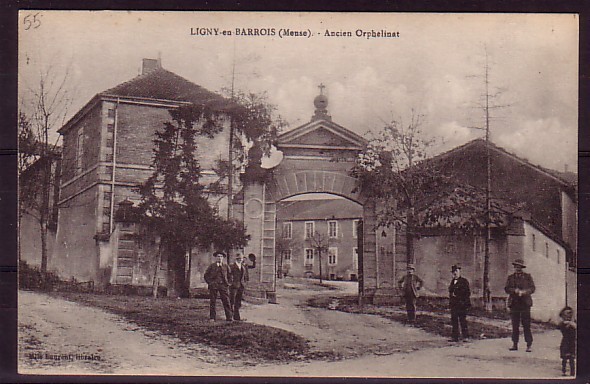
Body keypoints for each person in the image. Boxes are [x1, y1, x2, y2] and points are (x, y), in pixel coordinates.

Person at [504, 258, 535, 352]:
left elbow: (532, 288)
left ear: (522, 268)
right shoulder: (511, 277)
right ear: (514, 267)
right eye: (516, 266)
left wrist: (525, 292)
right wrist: (514, 291)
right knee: (515, 325)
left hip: (525, 303)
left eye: (519, 267)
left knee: (526, 325)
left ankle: (529, 345)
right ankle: (515, 344)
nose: (518, 268)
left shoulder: (527, 277)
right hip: (514, 303)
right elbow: (506, 288)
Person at [203, 251, 233, 322]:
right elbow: (206, 275)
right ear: (216, 258)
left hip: (223, 286)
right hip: (214, 286)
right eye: (218, 256)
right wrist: (210, 283)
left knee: (226, 301)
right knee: (213, 301)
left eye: (221, 256)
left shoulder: (226, 266)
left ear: (223, 258)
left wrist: (228, 283)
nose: (219, 258)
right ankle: (212, 317)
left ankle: (229, 317)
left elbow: (230, 275)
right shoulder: (212, 266)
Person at [448, 264, 471, 342]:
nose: (455, 273)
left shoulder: (464, 281)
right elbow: (450, 291)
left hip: (462, 304)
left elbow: (467, 293)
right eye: (453, 272)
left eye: (456, 271)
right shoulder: (452, 281)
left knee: (462, 320)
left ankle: (466, 336)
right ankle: (455, 337)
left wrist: (458, 296)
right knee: (454, 320)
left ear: (459, 272)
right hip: (454, 304)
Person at [229, 253, 250, 321]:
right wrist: (230, 283)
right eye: (238, 258)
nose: (240, 260)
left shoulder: (243, 267)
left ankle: (237, 317)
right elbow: (228, 276)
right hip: (233, 286)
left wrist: (244, 283)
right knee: (232, 301)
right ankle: (230, 317)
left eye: (241, 259)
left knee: (238, 302)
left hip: (241, 286)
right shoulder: (231, 266)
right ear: (236, 259)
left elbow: (245, 277)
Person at [558, 306, 576, 376]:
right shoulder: (562, 324)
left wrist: (572, 323)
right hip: (565, 342)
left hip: (572, 343)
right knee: (564, 358)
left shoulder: (573, 324)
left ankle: (572, 372)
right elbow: (560, 326)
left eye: (570, 315)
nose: (568, 317)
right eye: (566, 315)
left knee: (572, 358)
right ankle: (564, 370)